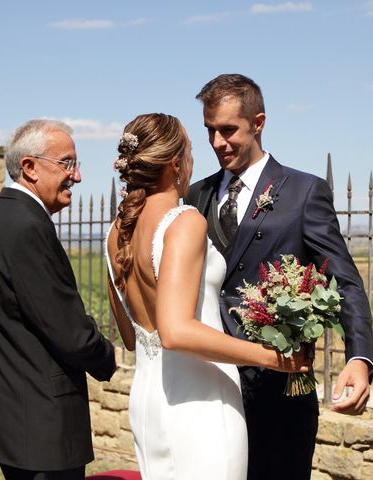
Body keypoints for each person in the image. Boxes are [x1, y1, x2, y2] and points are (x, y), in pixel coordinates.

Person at [186, 74, 373, 480]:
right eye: (210, 131)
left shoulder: (304, 192)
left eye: (228, 130)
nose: (218, 142)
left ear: (259, 123)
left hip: (282, 390)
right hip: (210, 384)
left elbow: (344, 281)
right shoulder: (195, 195)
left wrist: (359, 358)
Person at [105, 113, 311, 480]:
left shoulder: (117, 232)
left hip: (148, 403)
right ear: (175, 164)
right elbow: (175, 331)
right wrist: (273, 358)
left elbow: (130, 336)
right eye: (190, 148)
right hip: (201, 403)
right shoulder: (184, 222)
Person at [0, 119, 116, 480]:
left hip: (7, 415)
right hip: (43, 422)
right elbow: (66, 329)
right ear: (29, 167)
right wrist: (109, 358)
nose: (76, 177)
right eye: (67, 163)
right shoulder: (29, 227)